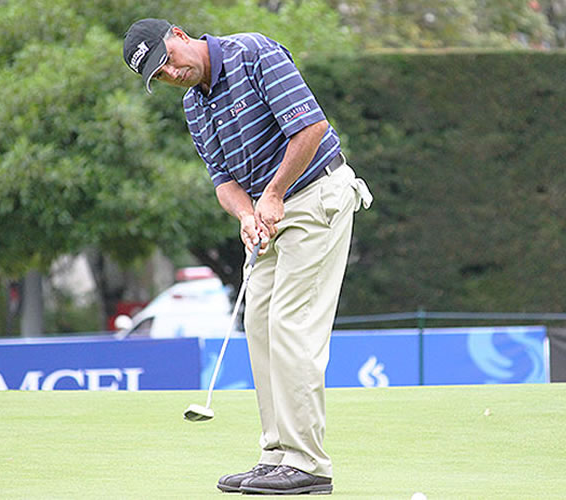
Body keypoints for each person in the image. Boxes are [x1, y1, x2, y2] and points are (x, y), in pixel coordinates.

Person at [123, 18, 372, 496]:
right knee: (258, 323)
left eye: (167, 62)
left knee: (290, 325)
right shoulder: (194, 107)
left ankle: (308, 464)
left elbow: (311, 127)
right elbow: (223, 180)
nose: (171, 75)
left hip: (317, 195)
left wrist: (274, 194)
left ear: (178, 35)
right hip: (266, 213)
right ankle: (276, 454)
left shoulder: (252, 53)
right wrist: (245, 214)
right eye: (159, 76)